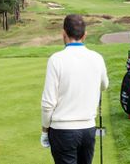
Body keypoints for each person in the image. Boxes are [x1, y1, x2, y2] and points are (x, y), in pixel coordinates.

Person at [40, 14, 109, 164]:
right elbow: (104, 85)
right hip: (88, 130)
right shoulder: (97, 58)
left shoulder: (56, 59)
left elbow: (48, 103)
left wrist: (45, 130)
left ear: (63, 33)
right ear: (85, 35)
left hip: (62, 131)